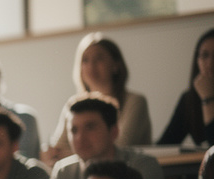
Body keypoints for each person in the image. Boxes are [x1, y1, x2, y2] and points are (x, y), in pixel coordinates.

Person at [44, 94, 167, 179]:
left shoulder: (143, 166)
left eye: (90, 127)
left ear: (114, 132)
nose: (80, 138)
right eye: (74, 130)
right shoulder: (62, 171)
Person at [44, 34, 152, 163]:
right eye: (85, 60)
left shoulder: (135, 102)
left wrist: (70, 154)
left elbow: (119, 147)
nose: (91, 66)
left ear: (116, 65)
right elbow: (56, 150)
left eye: (99, 58)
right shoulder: (72, 105)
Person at [157, 28, 214, 147]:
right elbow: (165, 144)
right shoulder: (189, 99)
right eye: (205, 55)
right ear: (197, 61)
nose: (210, 63)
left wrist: (208, 98)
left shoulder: (205, 96)